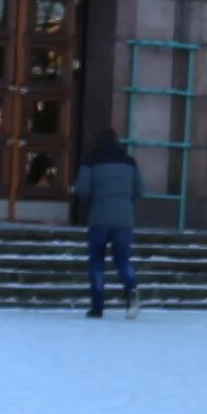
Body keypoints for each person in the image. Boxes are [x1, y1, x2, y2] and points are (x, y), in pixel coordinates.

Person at [78, 131, 141, 318]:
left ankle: (97, 305)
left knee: (96, 260)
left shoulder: (90, 162)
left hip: (99, 218)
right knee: (122, 258)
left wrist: (94, 201)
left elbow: (82, 189)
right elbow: (139, 189)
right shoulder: (130, 162)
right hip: (124, 219)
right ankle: (131, 290)